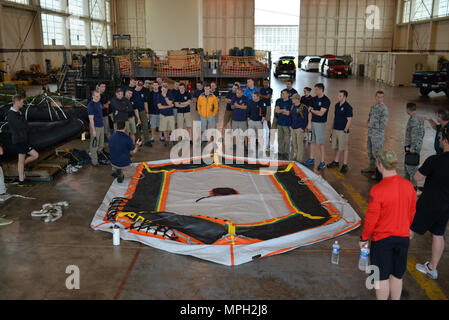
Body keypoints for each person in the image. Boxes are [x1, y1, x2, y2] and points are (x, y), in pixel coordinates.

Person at [360, 149, 416, 300]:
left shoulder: (377, 190)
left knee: (381, 278)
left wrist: (364, 238)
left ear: (380, 164)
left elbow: (371, 219)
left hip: (382, 241)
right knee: (397, 275)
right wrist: (405, 228)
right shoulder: (408, 186)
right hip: (403, 239)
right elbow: (412, 211)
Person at [409, 127, 449, 280]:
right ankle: (432, 268)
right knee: (438, 235)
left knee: (410, 229)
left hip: (429, 203)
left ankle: (393, 258)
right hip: (446, 205)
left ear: (445, 141)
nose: (438, 142)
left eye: (440, 139)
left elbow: (418, 177)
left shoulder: (435, 159)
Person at [6, 95, 39, 184]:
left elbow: (25, 124)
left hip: (23, 139)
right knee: (35, 155)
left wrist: (25, 125)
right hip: (19, 140)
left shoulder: (18, 113)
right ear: (17, 102)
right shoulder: (11, 115)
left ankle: (21, 178)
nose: (23, 103)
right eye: (22, 102)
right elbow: (21, 126)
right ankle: (21, 177)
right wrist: (25, 125)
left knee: (22, 160)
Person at [362, 91, 389, 180]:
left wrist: (371, 125)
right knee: (370, 152)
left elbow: (383, 124)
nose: (379, 99)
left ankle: (378, 173)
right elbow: (370, 117)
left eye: (381, 97)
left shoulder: (384, 109)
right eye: (378, 97)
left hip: (378, 135)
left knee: (377, 154)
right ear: (375, 97)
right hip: (371, 134)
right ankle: (372, 167)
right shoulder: (373, 107)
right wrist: (367, 122)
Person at [303, 83, 331, 170]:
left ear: (321, 90)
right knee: (312, 141)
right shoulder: (313, 99)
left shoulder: (326, 100)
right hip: (313, 123)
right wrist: (309, 123)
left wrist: (312, 110)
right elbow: (309, 111)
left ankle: (322, 161)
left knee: (321, 143)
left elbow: (321, 113)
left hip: (320, 124)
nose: (314, 91)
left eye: (316, 90)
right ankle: (312, 158)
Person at [327, 90, 353, 173]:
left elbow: (349, 120)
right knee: (336, 147)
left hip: (342, 131)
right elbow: (335, 118)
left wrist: (345, 130)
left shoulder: (348, 107)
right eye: (338, 95)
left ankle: (345, 165)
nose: (338, 97)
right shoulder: (336, 105)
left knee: (344, 148)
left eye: (340, 96)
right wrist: (332, 128)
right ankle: (336, 162)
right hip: (335, 129)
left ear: (344, 97)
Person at [404, 103, 424, 188]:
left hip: (413, 148)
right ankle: (408, 187)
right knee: (409, 167)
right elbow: (422, 132)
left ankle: (413, 188)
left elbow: (414, 134)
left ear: (408, 109)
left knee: (411, 169)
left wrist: (412, 147)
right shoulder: (419, 118)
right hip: (416, 146)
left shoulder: (413, 120)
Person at [290, 93, 309, 163]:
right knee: (294, 143)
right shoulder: (292, 107)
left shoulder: (303, 108)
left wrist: (303, 128)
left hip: (299, 128)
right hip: (293, 127)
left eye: (293, 99)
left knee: (299, 144)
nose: (292, 100)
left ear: (297, 99)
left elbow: (306, 119)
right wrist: (290, 125)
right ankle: (295, 155)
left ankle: (299, 159)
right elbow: (291, 116)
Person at [87, 90, 105, 166]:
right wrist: (93, 130)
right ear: (93, 96)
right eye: (97, 96)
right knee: (94, 145)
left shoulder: (99, 103)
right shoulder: (91, 105)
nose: (98, 97)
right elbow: (91, 119)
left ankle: (96, 156)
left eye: (99, 96)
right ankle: (94, 161)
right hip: (95, 127)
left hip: (101, 126)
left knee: (101, 145)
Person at [132, 81, 151, 147]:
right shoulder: (132, 92)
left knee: (145, 125)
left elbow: (145, 103)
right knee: (137, 127)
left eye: (141, 86)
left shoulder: (143, 92)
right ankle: (138, 141)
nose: (140, 87)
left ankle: (147, 141)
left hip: (142, 111)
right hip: (135, 112)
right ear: (136, 85)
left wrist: (147, 112)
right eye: (139, 85)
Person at [275, 89, 292, 160]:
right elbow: (276, 111)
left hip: (287, 123)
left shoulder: (290, 102)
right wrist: (283, 110)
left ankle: (286, 152)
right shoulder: (278, 101)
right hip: (280, 122)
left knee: (287, 139)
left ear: (288, 94)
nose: (282, 95)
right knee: (280, 138)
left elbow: (289, 113)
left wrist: (280, 111)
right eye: (282, 93)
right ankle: (280, 151)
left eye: (284, 94)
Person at [260, 79, 273, 151]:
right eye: (264, 82)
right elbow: (263, 96)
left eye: (266, 82)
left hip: (268, 106)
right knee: (262, 119)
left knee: (268, 120)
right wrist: (265, 96)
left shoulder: (270, 89)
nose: (265, 83)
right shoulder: (261, 89)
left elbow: (268, 97)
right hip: (262, 106)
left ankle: (270, 132)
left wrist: (263, 96)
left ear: (268, 83)